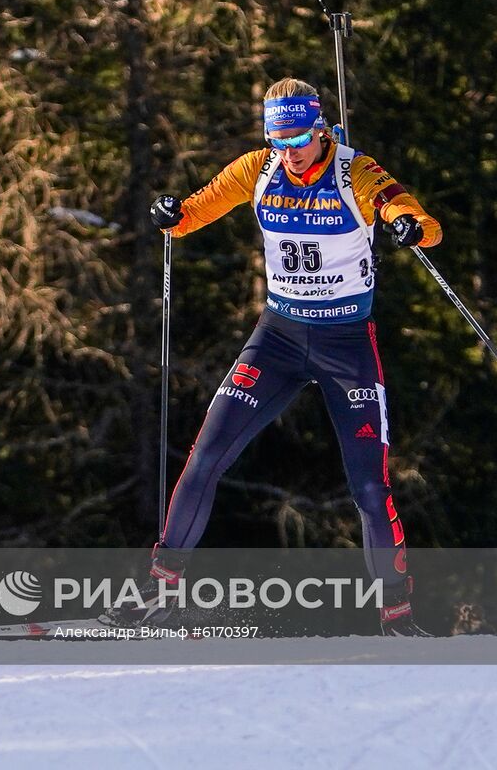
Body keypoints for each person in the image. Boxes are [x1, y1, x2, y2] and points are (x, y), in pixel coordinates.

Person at [106, 78, 441, 637]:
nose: (290, 153)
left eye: (299, 140)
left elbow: (417, 218)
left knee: (369, 487)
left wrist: (410, 225)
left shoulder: (354, 172)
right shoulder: (257, 170)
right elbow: (194, 211)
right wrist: (170, 213)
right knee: (205, 457)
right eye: (278, 141)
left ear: (320, 129)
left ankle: (397, 617)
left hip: (345, 345)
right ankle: (157, 592)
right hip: (278, 339)